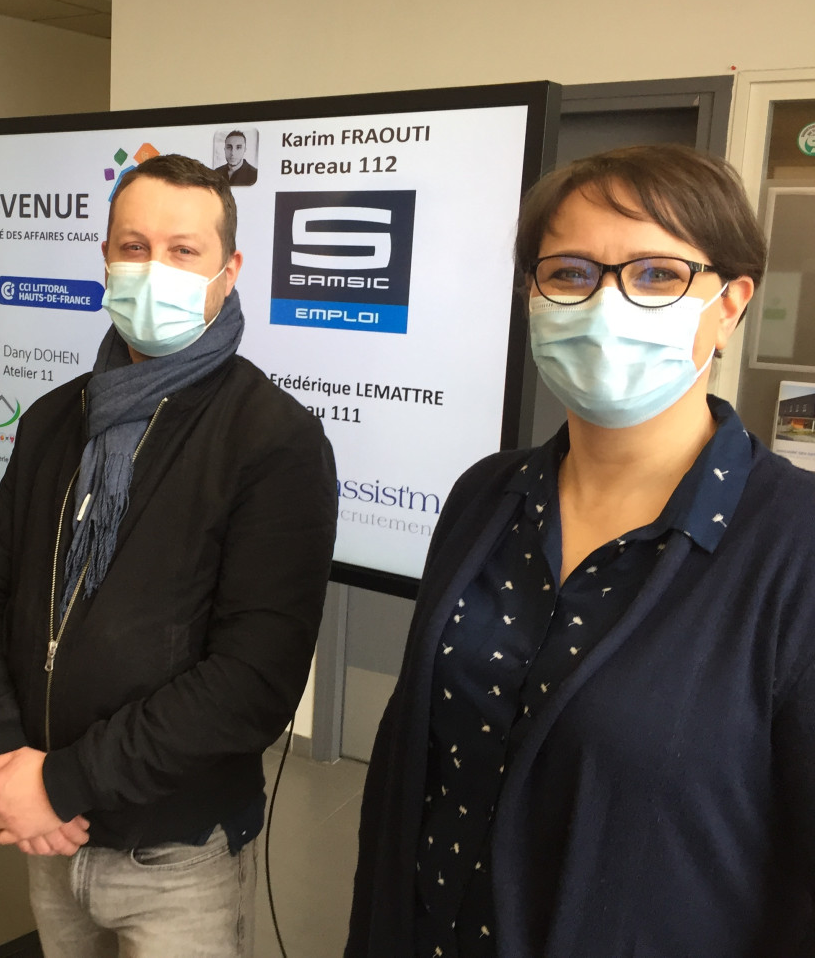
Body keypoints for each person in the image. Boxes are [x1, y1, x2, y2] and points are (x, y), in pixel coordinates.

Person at [345, 144, 815, 957]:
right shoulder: (486, 497)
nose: (606, 304)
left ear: (731, 304)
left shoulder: (795, 545)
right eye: (570, 273)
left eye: (657, 275)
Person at [0, 154, 336, 956]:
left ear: (228, 273)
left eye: (183, 251)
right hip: (49, 835)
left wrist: (59, 784)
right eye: (134, 246)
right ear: (105, 259)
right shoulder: (58, 417)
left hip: (177, 855)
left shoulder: (274, 440)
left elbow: (252, 682)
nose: (153, 268)